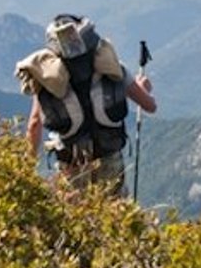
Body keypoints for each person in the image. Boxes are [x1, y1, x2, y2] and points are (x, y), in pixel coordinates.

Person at [18, 15, 156, 197]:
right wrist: (142, 87)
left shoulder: (48, 80)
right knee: (114, 215)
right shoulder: (112, 67)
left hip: (71, 164)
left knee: (75, 216)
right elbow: (149, 106)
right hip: (109, 158)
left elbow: (34, 124)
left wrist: (26, 168)